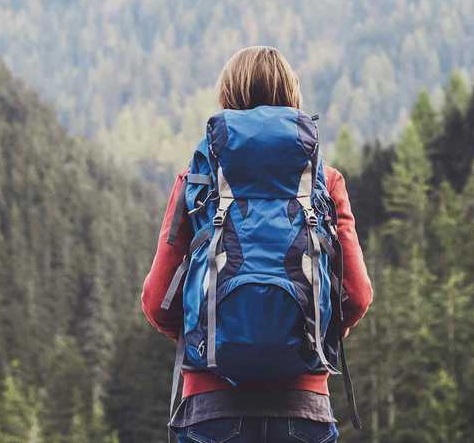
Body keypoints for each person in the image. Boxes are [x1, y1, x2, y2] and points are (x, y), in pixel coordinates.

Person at [141, 46, 373, 443]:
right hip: (304, 408)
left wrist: (210, 334)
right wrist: (316, 332)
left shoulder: (196, 180)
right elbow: (358, 295)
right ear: (292, 96)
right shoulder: (325, 181)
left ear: (227, 97)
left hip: (211, 408)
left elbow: (157, 302)